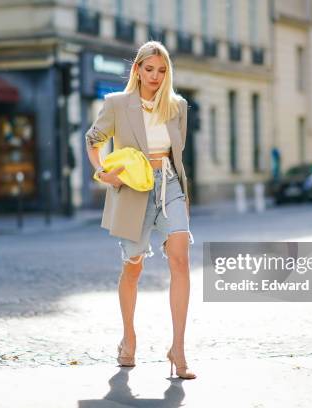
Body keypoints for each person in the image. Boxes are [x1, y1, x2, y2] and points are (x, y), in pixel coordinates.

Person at [84, 41, 196, 379]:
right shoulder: (117, 104)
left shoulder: (177, 106)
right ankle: (128, 338)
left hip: (170, 186)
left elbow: (178, 155)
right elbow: (93, 139)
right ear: (137, 69)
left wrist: (179, 189)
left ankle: (178, 348)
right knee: (133, 268)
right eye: (149, 69)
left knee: (180, 258)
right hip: (133, 188)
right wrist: (103, 171)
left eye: (162, 71)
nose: (155, 77)